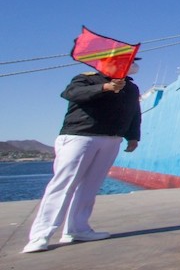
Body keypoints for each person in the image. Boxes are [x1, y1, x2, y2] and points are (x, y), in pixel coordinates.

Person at [23, 62, 142, 253]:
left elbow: (134, 113)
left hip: (111, 139)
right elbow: (71, 94)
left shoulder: (131, 87)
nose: (132, 65)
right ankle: (40, 235)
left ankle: (78, 229)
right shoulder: (86, 78)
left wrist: (133, 136)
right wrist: (104, 87)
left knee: (90, 186)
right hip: (81, 136)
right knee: (64, 185)